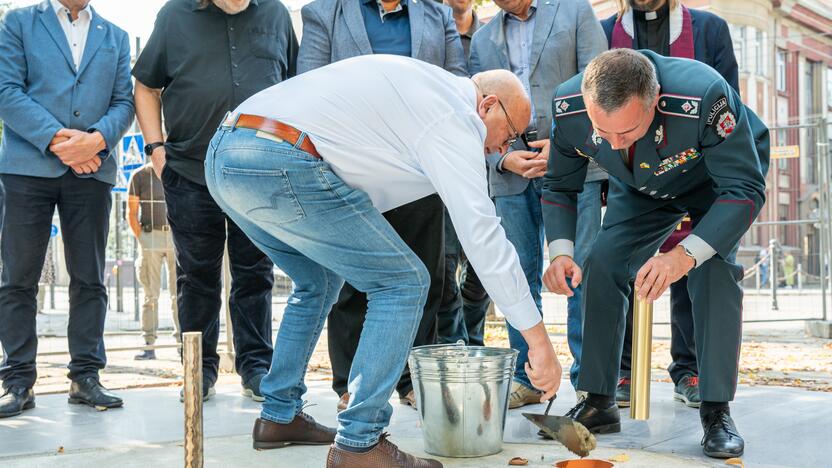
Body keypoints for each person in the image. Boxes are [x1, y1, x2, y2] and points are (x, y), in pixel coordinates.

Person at [205, 54, 562, 468]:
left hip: (227, 157)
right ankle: (360, 441)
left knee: (317, 281)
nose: (504, 149)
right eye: (510, 135)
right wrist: (539, 341)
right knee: (404, 282)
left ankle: (278, 414)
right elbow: (483, 235)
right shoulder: (453, 115)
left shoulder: (422, 90)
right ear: (487, 106)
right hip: (280, 158)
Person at [542, 49, 768, 458]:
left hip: (720, 183)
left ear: (655, 99)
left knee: (712, 271)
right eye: (602, 132)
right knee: (603, 262)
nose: (611, 143)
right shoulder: (567, 104)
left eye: (625, 132)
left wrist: (683, 256)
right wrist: (560, 252)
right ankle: (598, 401)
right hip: (645, 183)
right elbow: (559, 185)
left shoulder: (704, 97)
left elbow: (745, 190)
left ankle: (716, 410)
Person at [297, 0, 466, 412]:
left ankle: (411, 378)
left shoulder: (436, 14)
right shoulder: (324, 13)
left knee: (426, 273)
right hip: (352, 162)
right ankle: (351, 383)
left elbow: (458, 82)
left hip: (419, 162)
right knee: (354, 280)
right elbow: (309, 83)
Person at [132, 0, 298, 402]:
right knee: (196, 277)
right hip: (190, 171)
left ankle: (256, 367)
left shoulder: (275, 15)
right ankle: (199, 368)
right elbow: (145, 86)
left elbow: (295, 87)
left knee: (255, 274)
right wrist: (156, 147)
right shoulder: (174, 16)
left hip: (256, 172)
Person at [600, 0, 739, 409]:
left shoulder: (710, 29)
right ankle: (620, 370)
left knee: (694, 261)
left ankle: (690, 369)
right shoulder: (606, 32)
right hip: (632, 173)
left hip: (698, 171)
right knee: (619, 265)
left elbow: (729, 102)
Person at [468, 0, 607, 408]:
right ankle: (526, 379)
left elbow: (600, 84)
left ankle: (589, 381)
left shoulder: (575, 12)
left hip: (574, 163)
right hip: (511, 171)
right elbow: (474, 111)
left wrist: (569, 147)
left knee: (580, 272)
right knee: (517, 273)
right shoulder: (482, 38)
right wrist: (500, 156)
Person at [0, 0, 134, 418]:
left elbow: (124, 102)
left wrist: (95, 141)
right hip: (27, 170)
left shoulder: (115, 35)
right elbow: (6, 90)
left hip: (92, 172)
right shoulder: (19, 22)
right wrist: (63, 142)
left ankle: (86, 377)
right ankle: (18, 380)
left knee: (90, 278)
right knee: (18, 278)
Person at [436, 0, 490, 347]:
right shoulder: (431, 33)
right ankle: (451, 345)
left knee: (483, 267)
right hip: (442, 163)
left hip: (489, 166)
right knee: (445, 263)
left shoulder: (487, 36)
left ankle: (473, 342)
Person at [127, 163, 180, 360]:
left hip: (175, 236)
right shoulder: (140, 176)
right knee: (151, 295)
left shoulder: (177, 170)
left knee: (179, 294)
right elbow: (131, 213)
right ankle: (148, 344)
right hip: (151, 235)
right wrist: (143, 238)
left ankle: (183, 344)